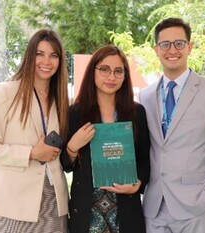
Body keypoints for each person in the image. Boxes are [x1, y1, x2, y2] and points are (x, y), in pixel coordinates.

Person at [139, 17, 205, 233]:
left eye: (179, 43)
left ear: (190, 47)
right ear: (156, 49)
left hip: (196, 209)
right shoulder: (146, 95)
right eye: (164, 44)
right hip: (153, 209)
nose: (172, 50)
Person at [0, 29, 69, 233]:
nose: (47, 61)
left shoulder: (61, 100)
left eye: (53, 55)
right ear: (29, 56)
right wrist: (31, 153)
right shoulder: (6, 92)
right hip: (13, 203)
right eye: (40, 54)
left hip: (53, 201)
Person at [60, 45, 150, 233]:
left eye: (118, 71)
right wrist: (71, 148)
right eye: (104, 69)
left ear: (125, 76)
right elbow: (65, 165)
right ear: (93, 71)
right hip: (87, 213)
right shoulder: (75, 113)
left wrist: (138, 184)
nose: (111, 77)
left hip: (125, 212)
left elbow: (145, 159)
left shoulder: (136, 113)